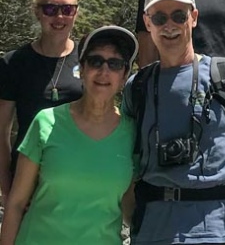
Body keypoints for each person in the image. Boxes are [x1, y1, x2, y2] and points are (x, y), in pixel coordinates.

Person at [122, 0, 225, 245]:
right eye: (159, 17)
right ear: (148, 23)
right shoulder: (137, 87)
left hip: (223, 232)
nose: (169, 25)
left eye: (179, 16)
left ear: (193, 18)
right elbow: (125, 166)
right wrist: (134, 221)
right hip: (152, 233)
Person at [0, 25, 139, 245]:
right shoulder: (46, 121)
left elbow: (130, 206)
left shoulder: (132, 133)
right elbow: (16, 203)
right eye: (95, 61)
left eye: (115, 64)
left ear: (124, 76)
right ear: (81, 70)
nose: (104, 71)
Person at [0, 0, 83, 204]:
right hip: (28, 176)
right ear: (37, 12)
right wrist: (6, 186)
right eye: (50, 9)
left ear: (76, 13)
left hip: (78, 172)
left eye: (67, 10)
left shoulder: (89, 59)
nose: (59, 17)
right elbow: (2, 132)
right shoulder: (14, 63)